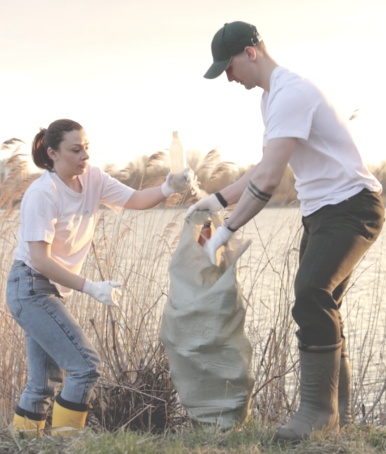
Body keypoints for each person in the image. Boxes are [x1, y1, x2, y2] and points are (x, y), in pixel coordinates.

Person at [187, 21, 385, 441]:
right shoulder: (271, 99)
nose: (228, 77)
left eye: (229, 66)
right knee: (322, 301)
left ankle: (317, 412)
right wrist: (218, 201)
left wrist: (226, 232)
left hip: (352, 207)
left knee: (311, 294)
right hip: (321, 212)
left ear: (251, 52)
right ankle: (341, 416)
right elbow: (263, 168)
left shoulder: (291, 93)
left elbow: (271, 181)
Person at [7, 119, 192, 436]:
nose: (85, 157)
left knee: (42, 383)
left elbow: (134, 200)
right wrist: (90, 287)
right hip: (29, 288)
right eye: (76, 150)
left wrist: (169, 187)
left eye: (87, 148)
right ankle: (67, 442)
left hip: (44, 290)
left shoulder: (91, 178)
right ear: (52, 153)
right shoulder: (43, 194)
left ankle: (25, 442)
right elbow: (39, 259)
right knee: (85, 367)